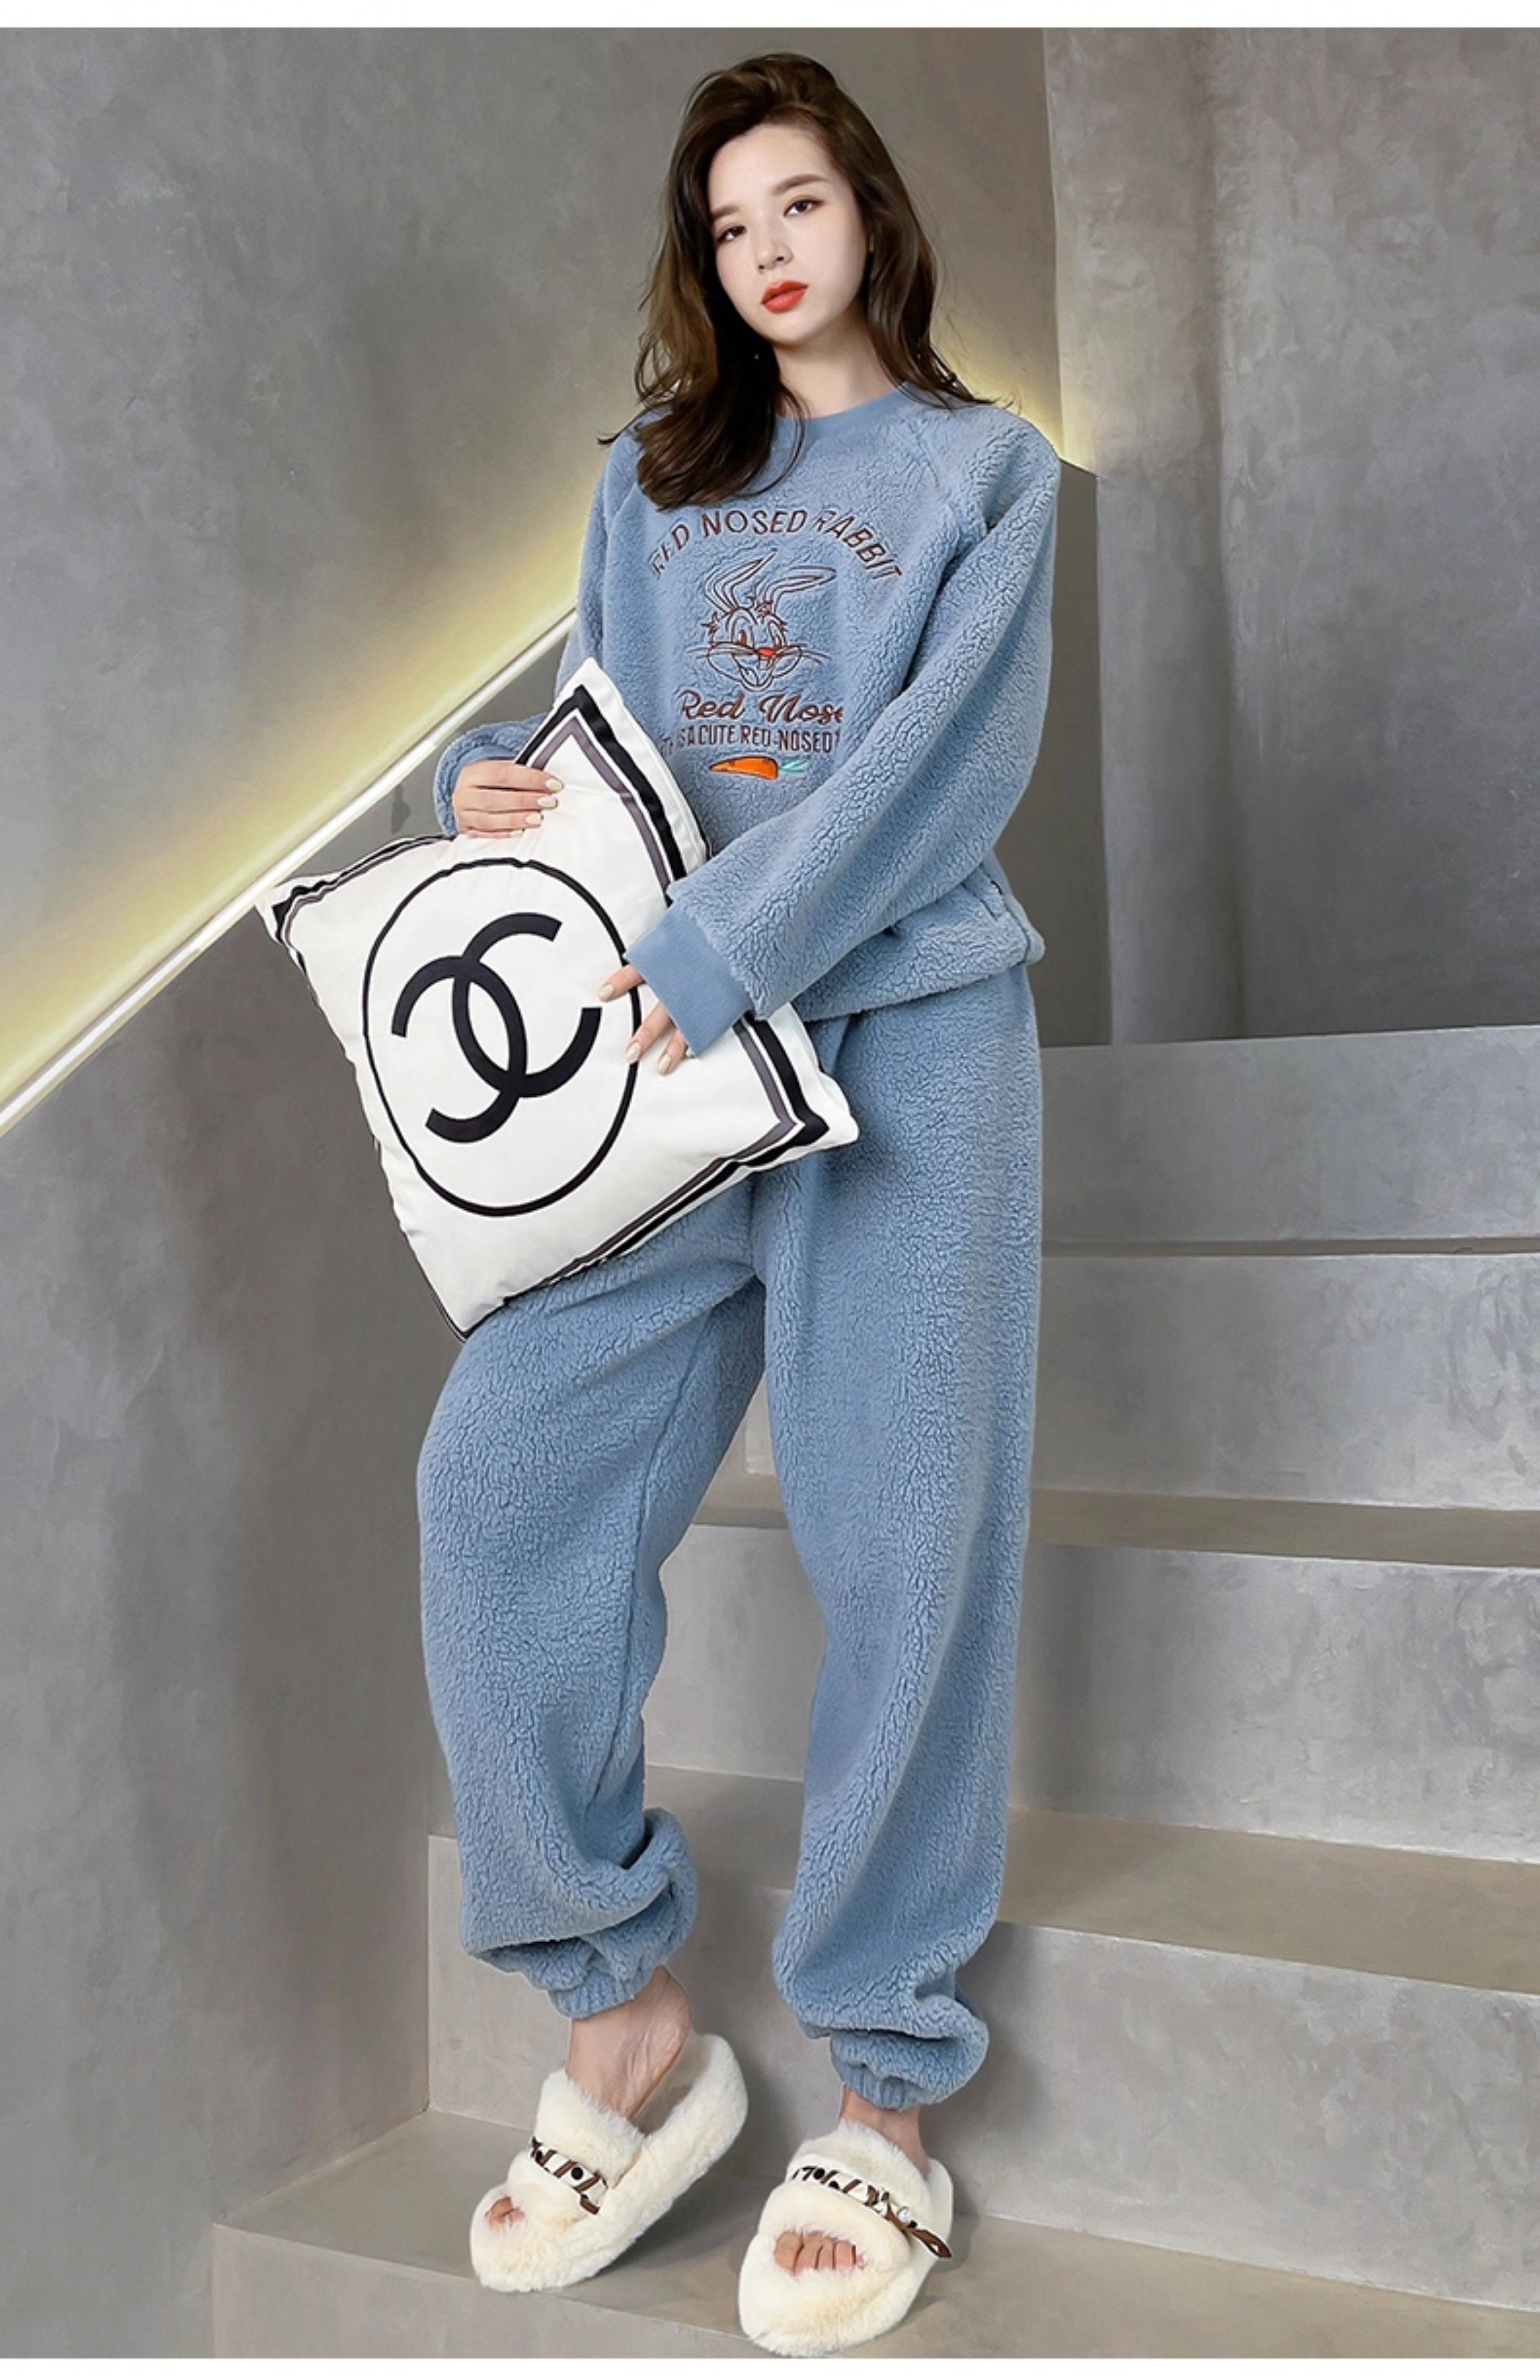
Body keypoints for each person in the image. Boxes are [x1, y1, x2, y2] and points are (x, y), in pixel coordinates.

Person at [417, 49, 1058, 2356]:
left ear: (869, 210)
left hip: (912, 1042)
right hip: (676, 1074)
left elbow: (941, 771)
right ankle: (625, 2022)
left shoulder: (985, 472)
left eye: (798, 200)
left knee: (904, 1548)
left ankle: (884, 2094)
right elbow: (612, 744)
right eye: (726, 224)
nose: (768, 248)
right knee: (499, 1479)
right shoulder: (652, 481)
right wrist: (495, 789)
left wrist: (720, 946)